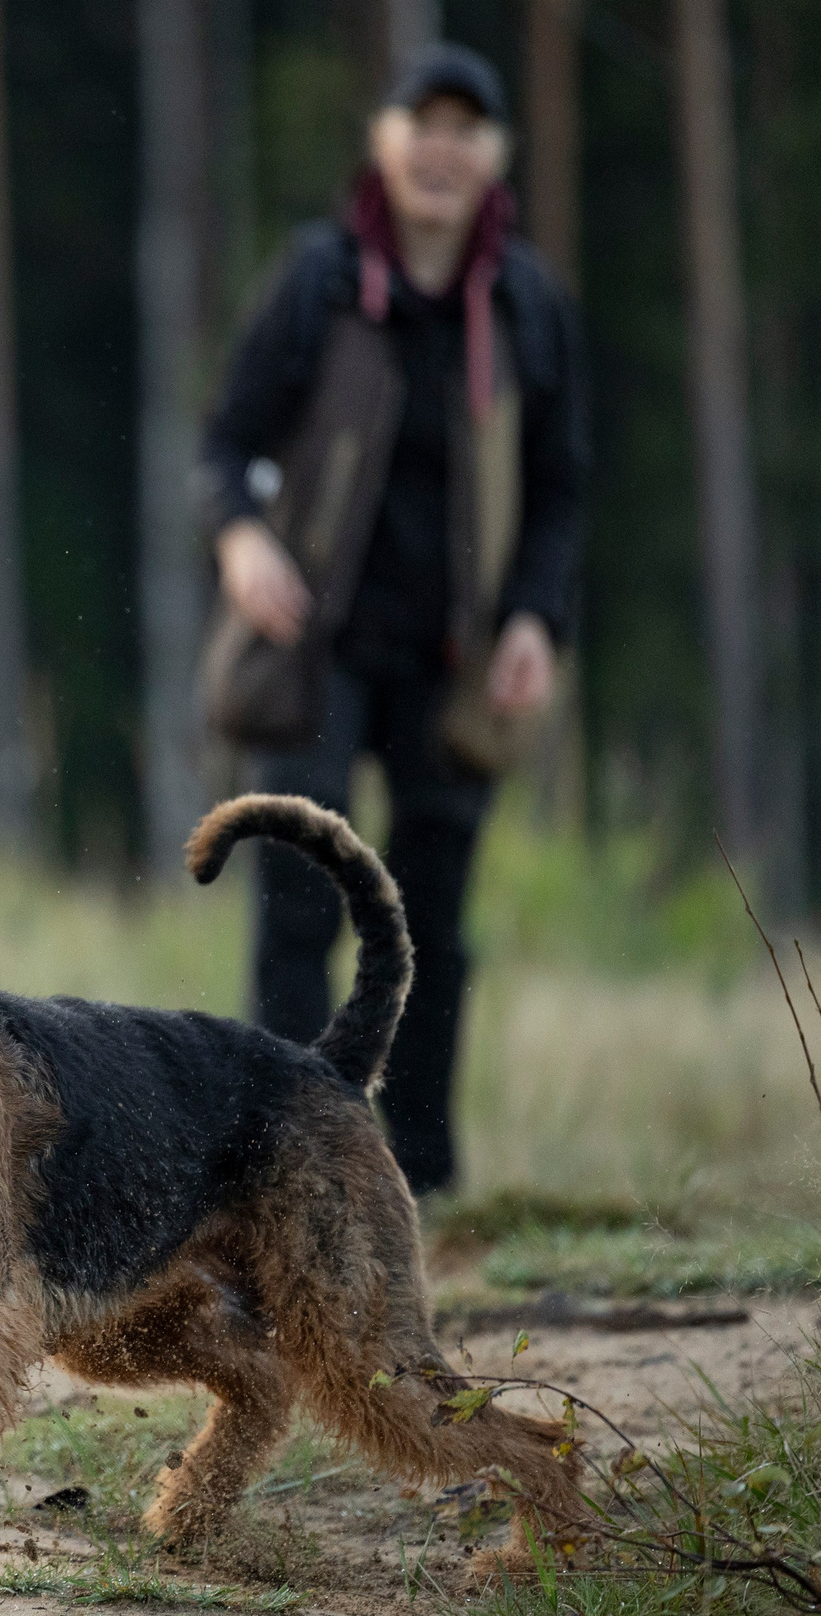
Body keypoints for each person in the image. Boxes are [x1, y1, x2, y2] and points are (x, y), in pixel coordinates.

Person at [196, 44, 588, 1196]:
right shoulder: (318, 280)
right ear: (383, 139)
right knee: (295, 904)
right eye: (424, 120)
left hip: (455, 661)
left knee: (429, 921)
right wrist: (241, 539)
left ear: (494, 159)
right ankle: (275, 1168)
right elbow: (223, 442)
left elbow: (563, 493)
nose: (443, 146)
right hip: (310, 648)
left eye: (469, 127)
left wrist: (535, 620)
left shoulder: (526, 305)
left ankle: (417, 1177)